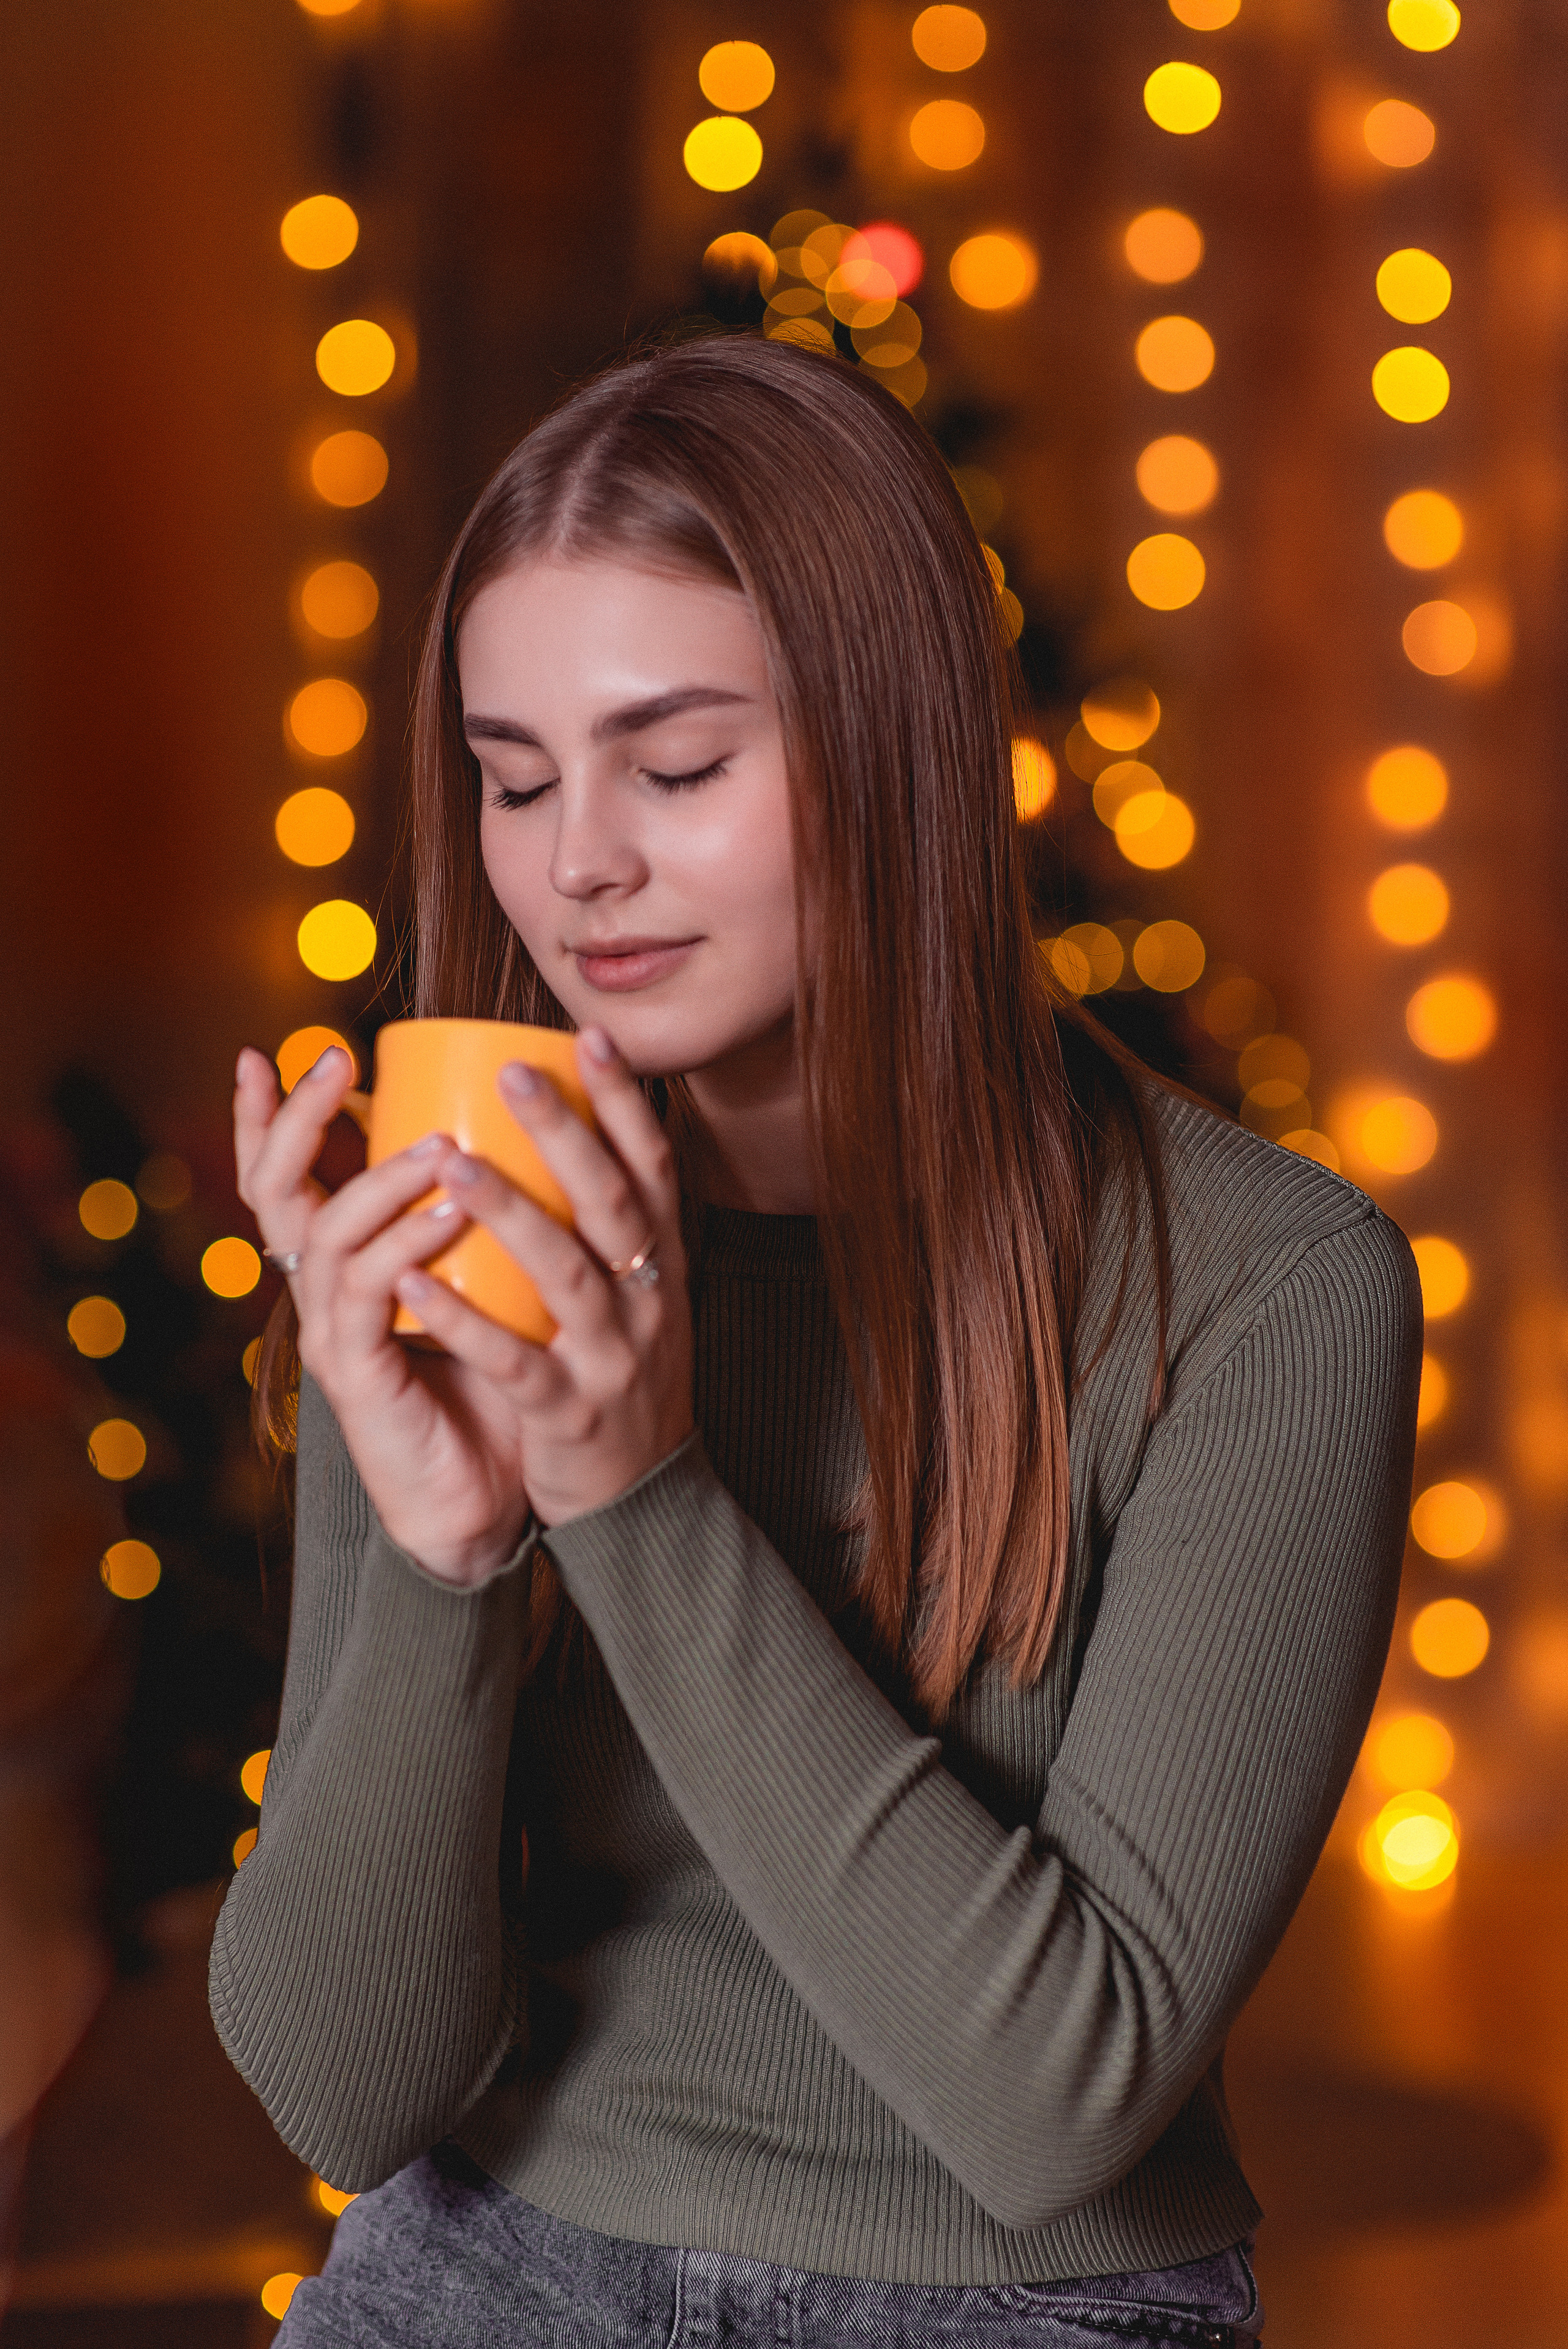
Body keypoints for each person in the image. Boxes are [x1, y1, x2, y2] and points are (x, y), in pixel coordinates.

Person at [211, 332, 1421, 2348]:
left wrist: (636, 1491)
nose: (577, 861)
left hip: (1019, 2302)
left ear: (894, 747)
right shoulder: (461, 1226)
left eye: (676, 767)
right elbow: (344, 2091)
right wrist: (447, 1556)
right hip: (492, 2260)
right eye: (517, 777)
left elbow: (1057, 2105)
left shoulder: (1269, 1286)